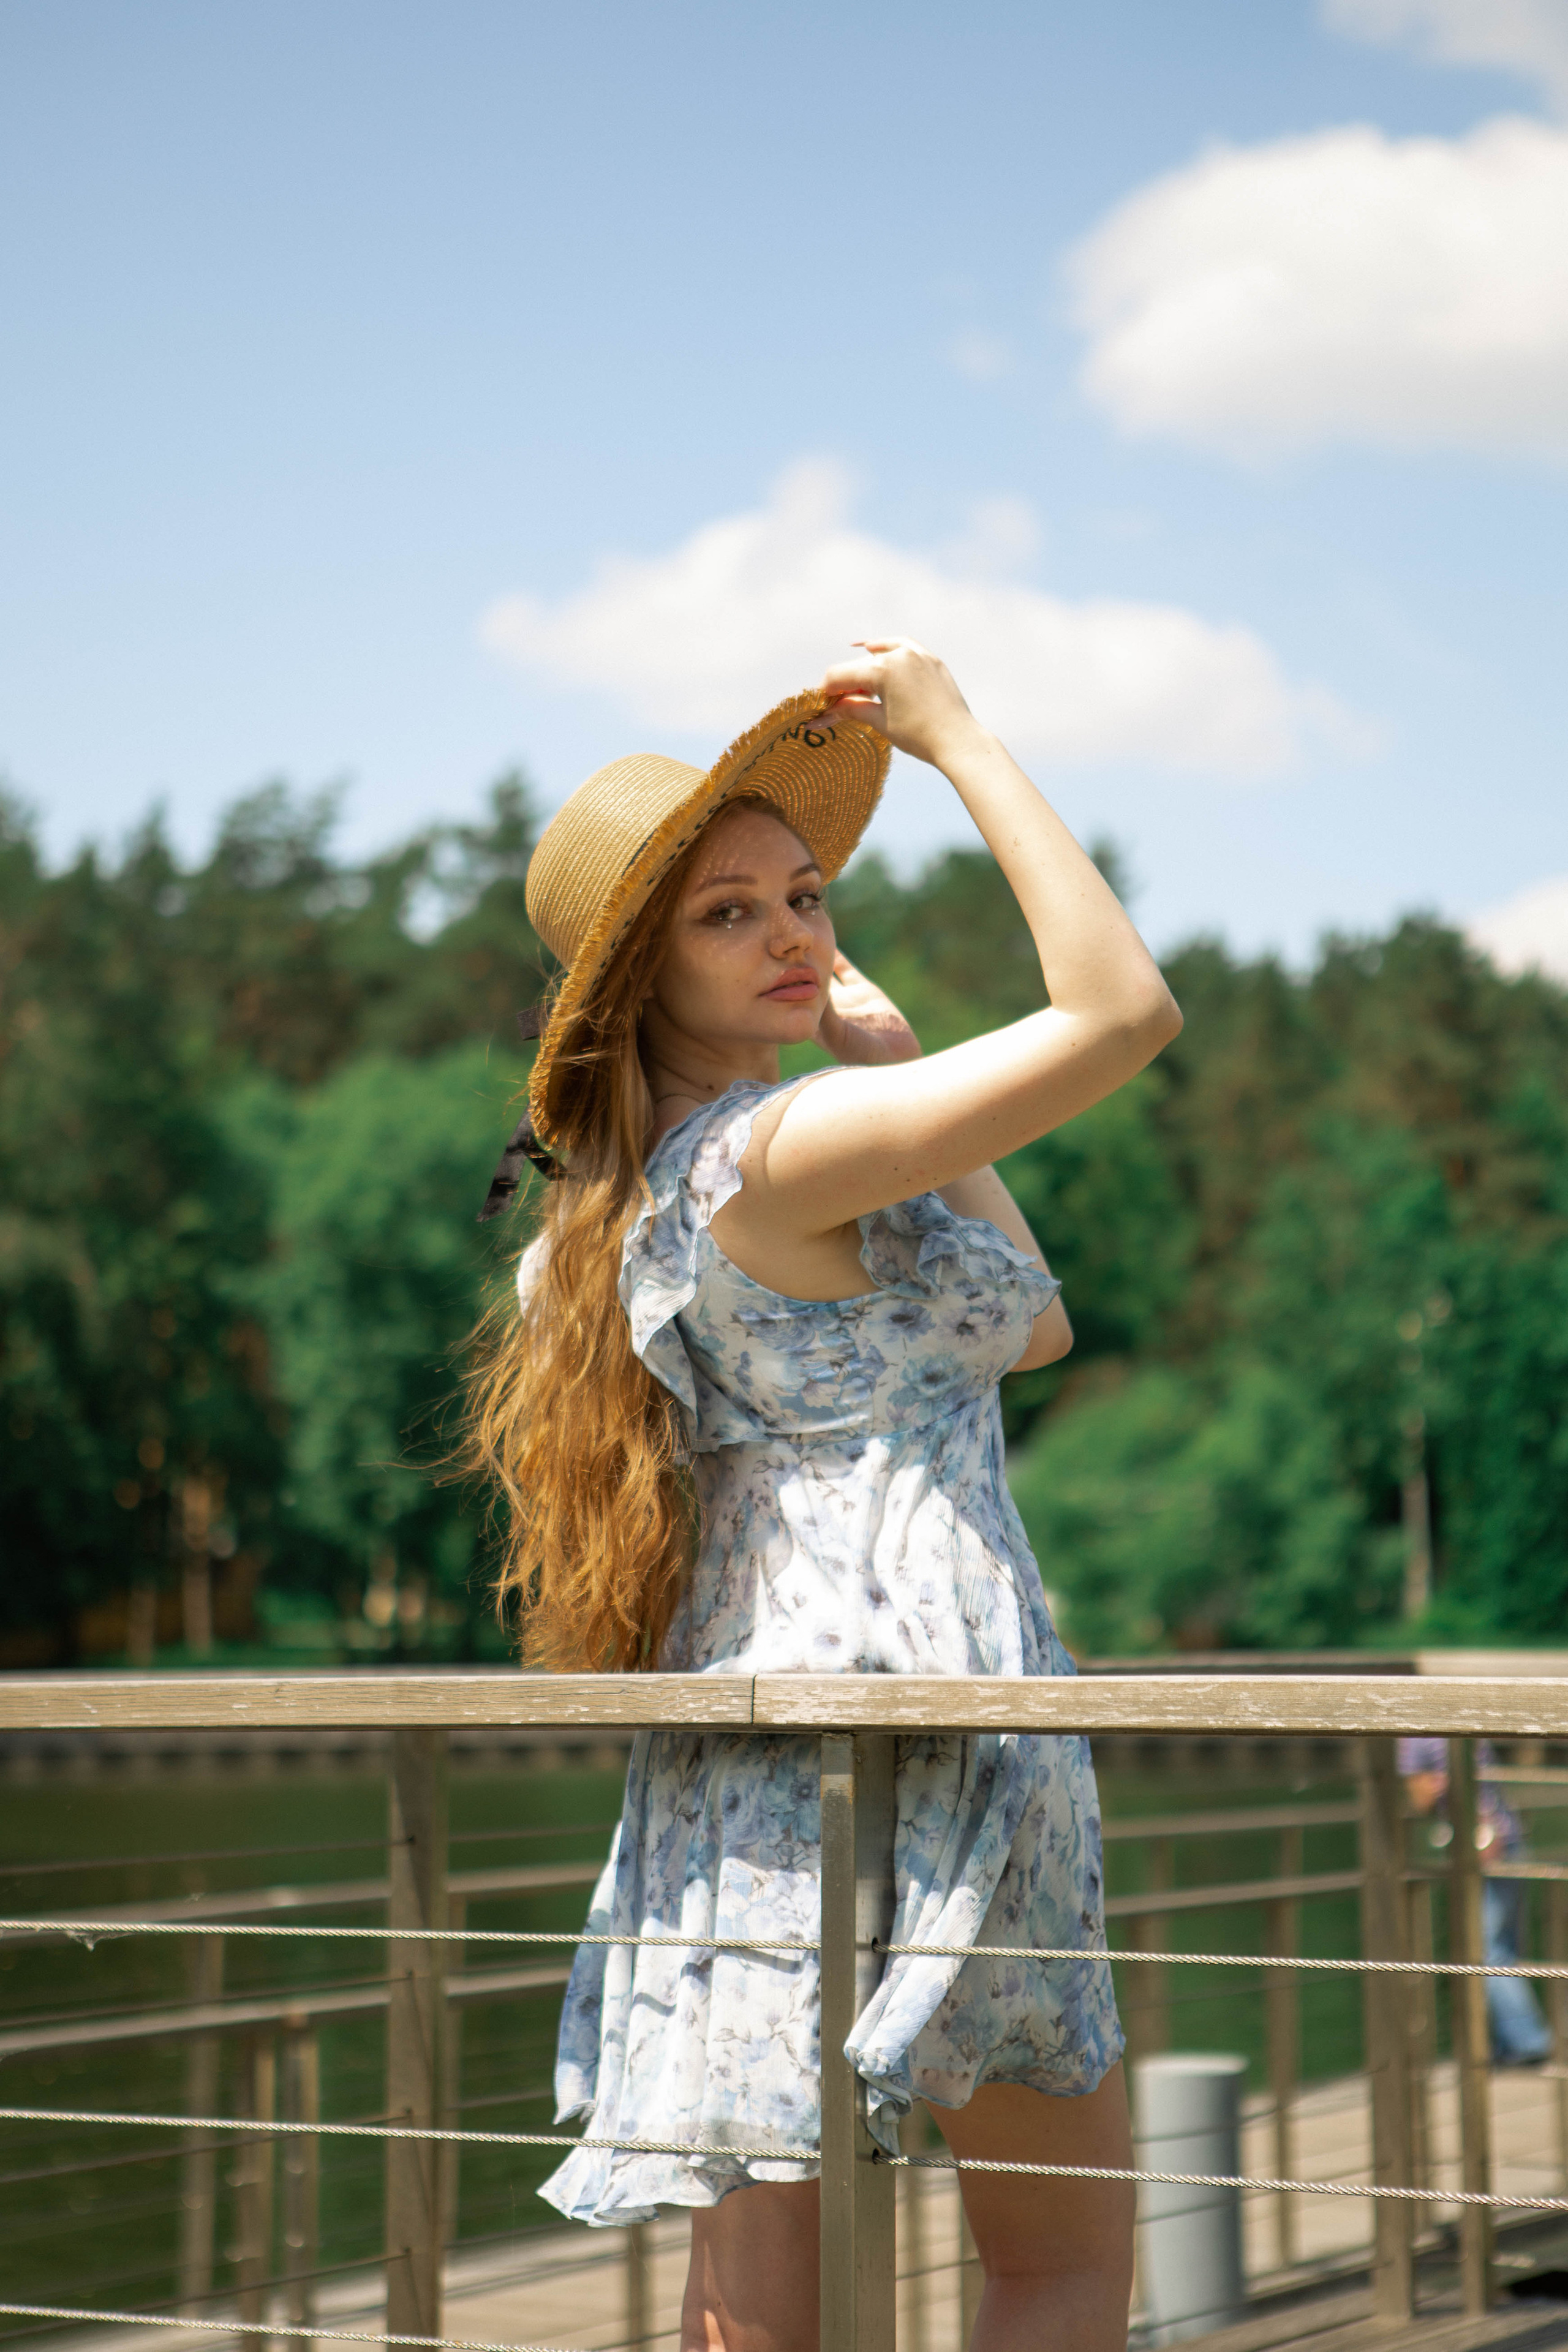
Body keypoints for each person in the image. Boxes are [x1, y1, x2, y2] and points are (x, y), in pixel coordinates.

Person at [469, 641, 1184, 2352]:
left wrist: (906, 1078)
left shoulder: (629, 1202)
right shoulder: (775, 1155)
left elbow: (1028, 1324)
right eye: (729, 914)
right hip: (931, 1729)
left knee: (758, 2311)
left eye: (803, 894)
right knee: (1056, 2265)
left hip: (758, 1755)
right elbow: (1122, 1012)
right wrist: (958, 738)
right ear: (642, 974)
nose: (793, 932)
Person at [1398, 1737, 1551, 2067]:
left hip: (1481, 1848)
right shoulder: (1464, 1730)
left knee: (1484, 1952)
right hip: (1508, 1838)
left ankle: (1528, 2042)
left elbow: (1422, 1798)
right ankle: (1505, 2044)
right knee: (1504, 1948)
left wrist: (1432, 1789)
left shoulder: (1414, 1739)